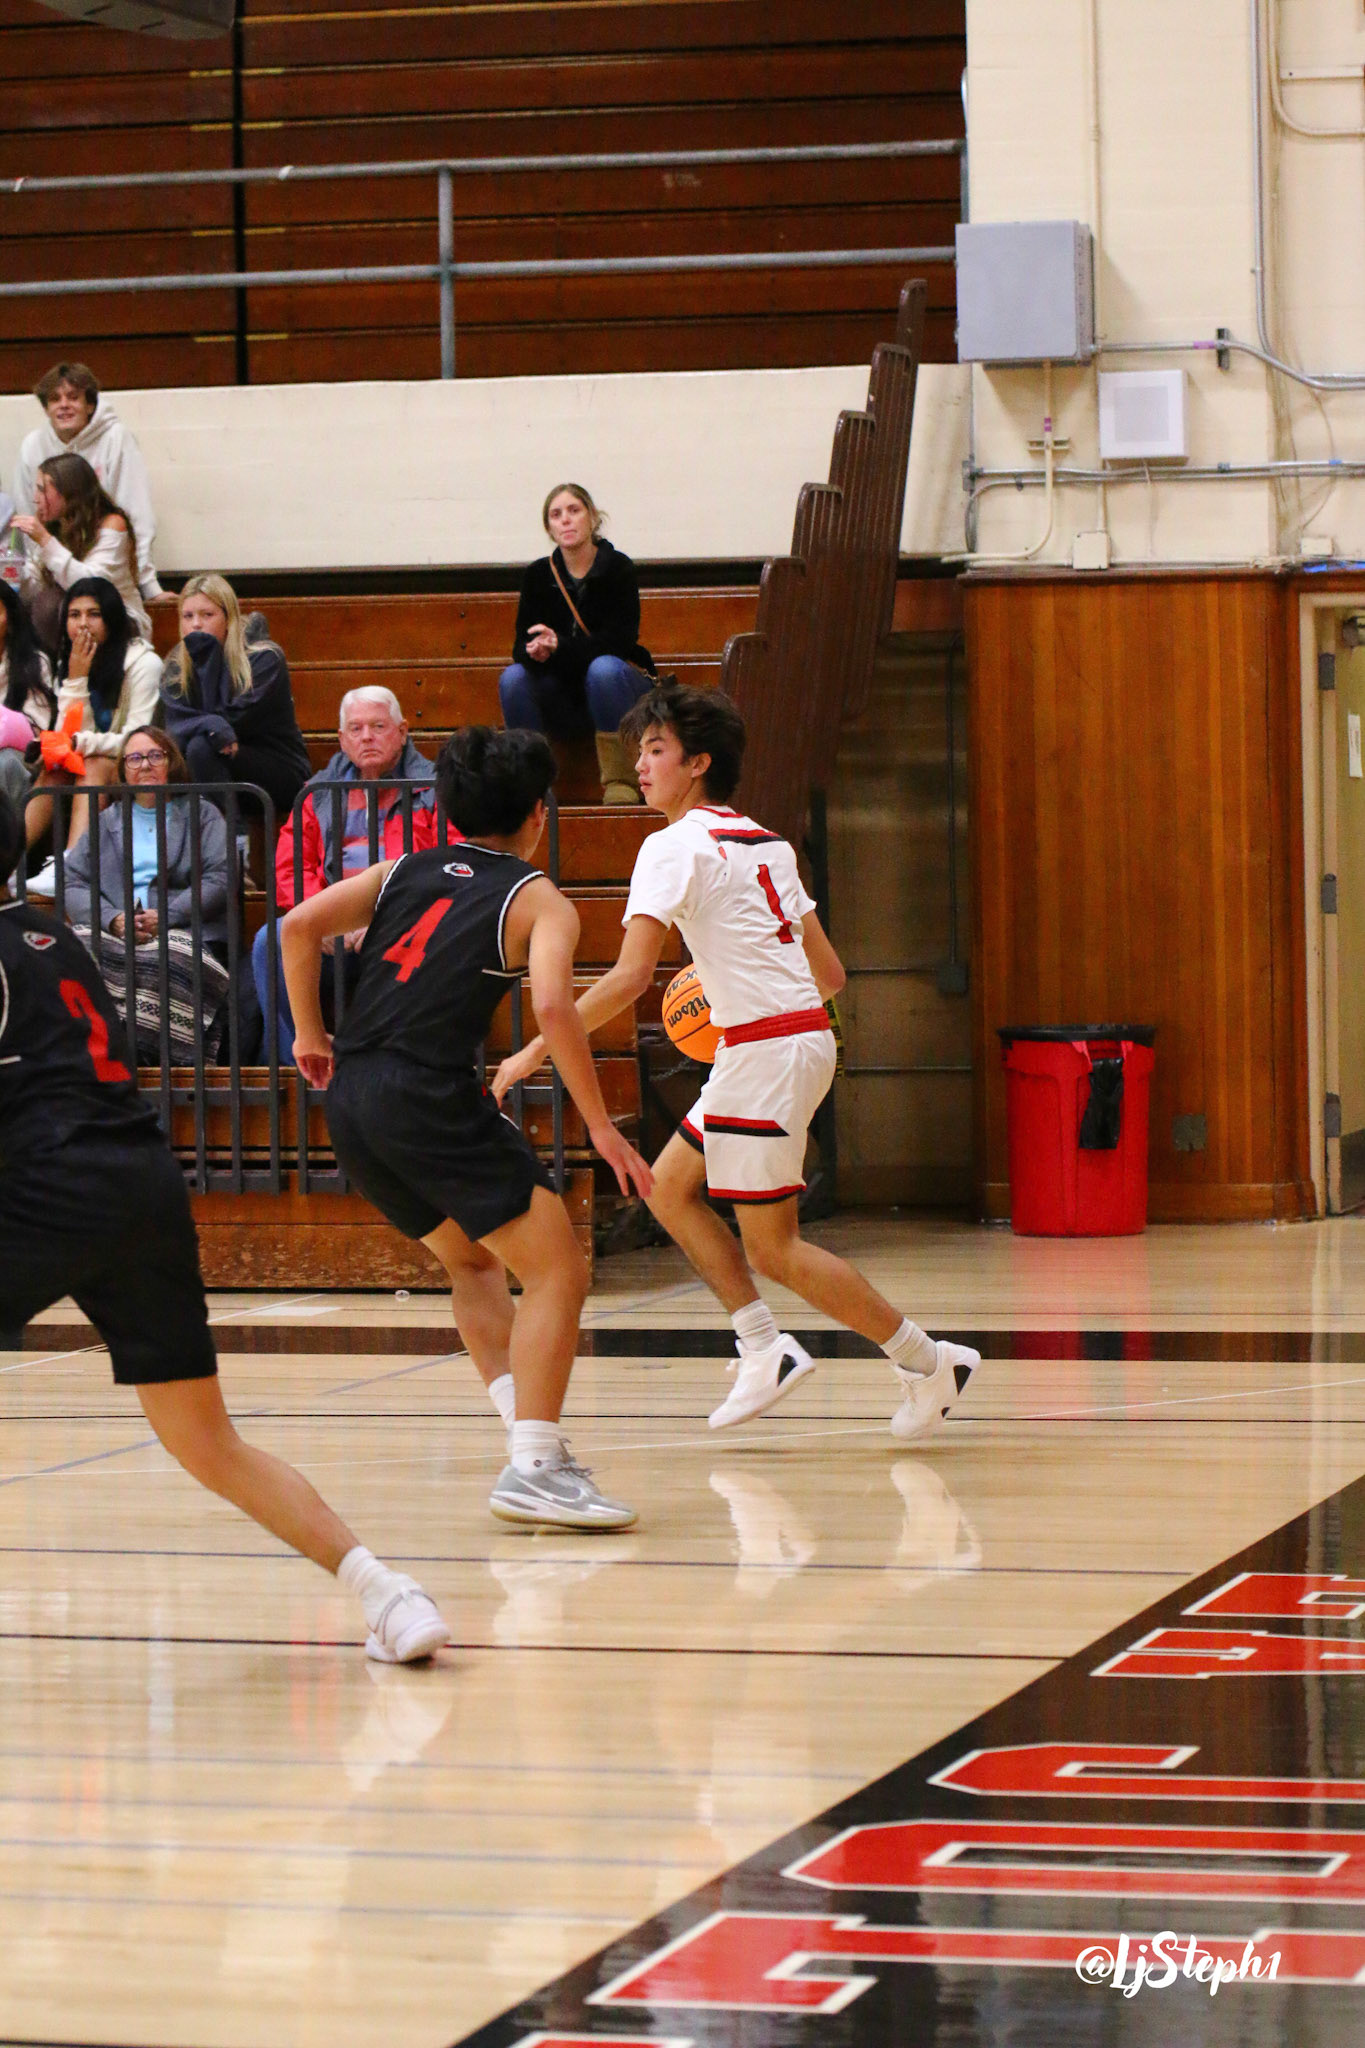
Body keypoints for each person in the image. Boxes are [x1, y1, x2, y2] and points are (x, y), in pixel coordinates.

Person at [0, 787, 449, 1665]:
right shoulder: (56, 940)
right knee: (209, 1441)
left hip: (53, 1184)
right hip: (142, 1186)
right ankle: (387, 1593)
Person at [494, 682, 981, 1441]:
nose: (641, 766)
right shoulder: (767, 841)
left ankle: (926, 1361)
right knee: (665, 1189)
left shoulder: (670, 846)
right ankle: (762, 1346)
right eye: (638, 752)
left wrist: (537, 1047)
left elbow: (630, 977)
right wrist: (734, 983)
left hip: (764, 1051)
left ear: (699, 763)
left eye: (655, 750)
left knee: (775, 1249)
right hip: (789, 1039)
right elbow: (830, 975)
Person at [280, 725, 653, 1529]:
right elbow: (552, 1007)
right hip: (427, 1094)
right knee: (558, 1270)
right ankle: (536, 1467)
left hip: (352, 1096)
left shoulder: (401, 870)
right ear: (539, 813)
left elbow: (297, 925)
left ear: (448, 810)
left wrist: (309, 1034)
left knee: (474, 1263)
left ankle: (529, 1441)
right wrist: (600, 1126)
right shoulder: (538, 899)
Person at [252, 685, 439, 1063]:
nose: (366, 737)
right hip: (333, 923)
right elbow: (291, 867)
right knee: (269, 941)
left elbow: (446, 866)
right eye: (356, 729)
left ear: (403, 731)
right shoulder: (317, 792)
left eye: (378, 726)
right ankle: (304, 1060)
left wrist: (390, 919)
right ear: (341, 739)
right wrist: (320, 919)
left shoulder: (435, 789)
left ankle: (400, 1066)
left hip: (404, 920)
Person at [498, 482, 656, 804]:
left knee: (603, 670)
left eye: (574, 510)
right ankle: (531, 788)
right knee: (512, 678)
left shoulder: (618, 568)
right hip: (564, 695)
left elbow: (619, 642)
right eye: (556, 515)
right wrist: (537, 652)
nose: (566, 520)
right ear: (549, 528)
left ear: (592, 517)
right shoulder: (538, 575)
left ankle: (621, 782)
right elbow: (520, 648)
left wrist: (560, 647)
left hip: (615, 691)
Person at [24, 577, 162, 881]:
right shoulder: (71, 663)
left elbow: (137, 740)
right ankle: (6, 863)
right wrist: (77, 679)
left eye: (94, 614)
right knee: (54, 769)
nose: (83, 624)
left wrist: (82, 743)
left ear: (111, 619)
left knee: (93, 765)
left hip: (143, 764)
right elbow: (67, 735)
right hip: (93, 759)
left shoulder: (145, 663)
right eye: (74, 615)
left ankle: (72, 866)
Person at [62, 726, 230, 952]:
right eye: (134, 758)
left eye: (155, 756)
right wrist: (112, 919)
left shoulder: (202, 814)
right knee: (70, 954)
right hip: (116, 933)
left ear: (171, 763)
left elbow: (219, 876)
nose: (145, 765)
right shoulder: (106, 821)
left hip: (186, 930)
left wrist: (166, 916)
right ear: (123, 770)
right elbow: (73, 881)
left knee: (165, 960)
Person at [11, 361, 164, 606]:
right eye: (55, 399)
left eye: (73, 397)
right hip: (51, 570)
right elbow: (30, 520)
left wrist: (149, 585)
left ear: (90, 405)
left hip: (103, 565)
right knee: (46, 608)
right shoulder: (33, 445)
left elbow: (138, 514)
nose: (64, 405)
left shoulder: (116, 438)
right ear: (46, 408)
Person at [158, 575, 311, 814]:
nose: (196, 625)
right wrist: (210, 724)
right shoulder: (177, 666)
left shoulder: (264, 659)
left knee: (202, 746)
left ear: (229, 618)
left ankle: (229, 836)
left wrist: (208, 659)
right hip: (210, 769)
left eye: (207, 615)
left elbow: (234, 723)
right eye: (187, 616)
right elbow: (175, 728)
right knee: (166, 757)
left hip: (277, 769)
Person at [11, 452, 150, 653]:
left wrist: (45, 541)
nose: (36, 499)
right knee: (34, 606)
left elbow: (92, 587)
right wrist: (12, 568)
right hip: (71, 620)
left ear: (67, 492)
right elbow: (33, 588)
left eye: (42, 490)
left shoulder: (112, 524)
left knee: (53, 605)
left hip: (119, 620)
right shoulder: (55, 525)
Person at [0, 581, 55, 814]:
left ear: (10, 621)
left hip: (17, 757)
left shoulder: (34, 663)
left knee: (6, 763)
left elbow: (34, 731)